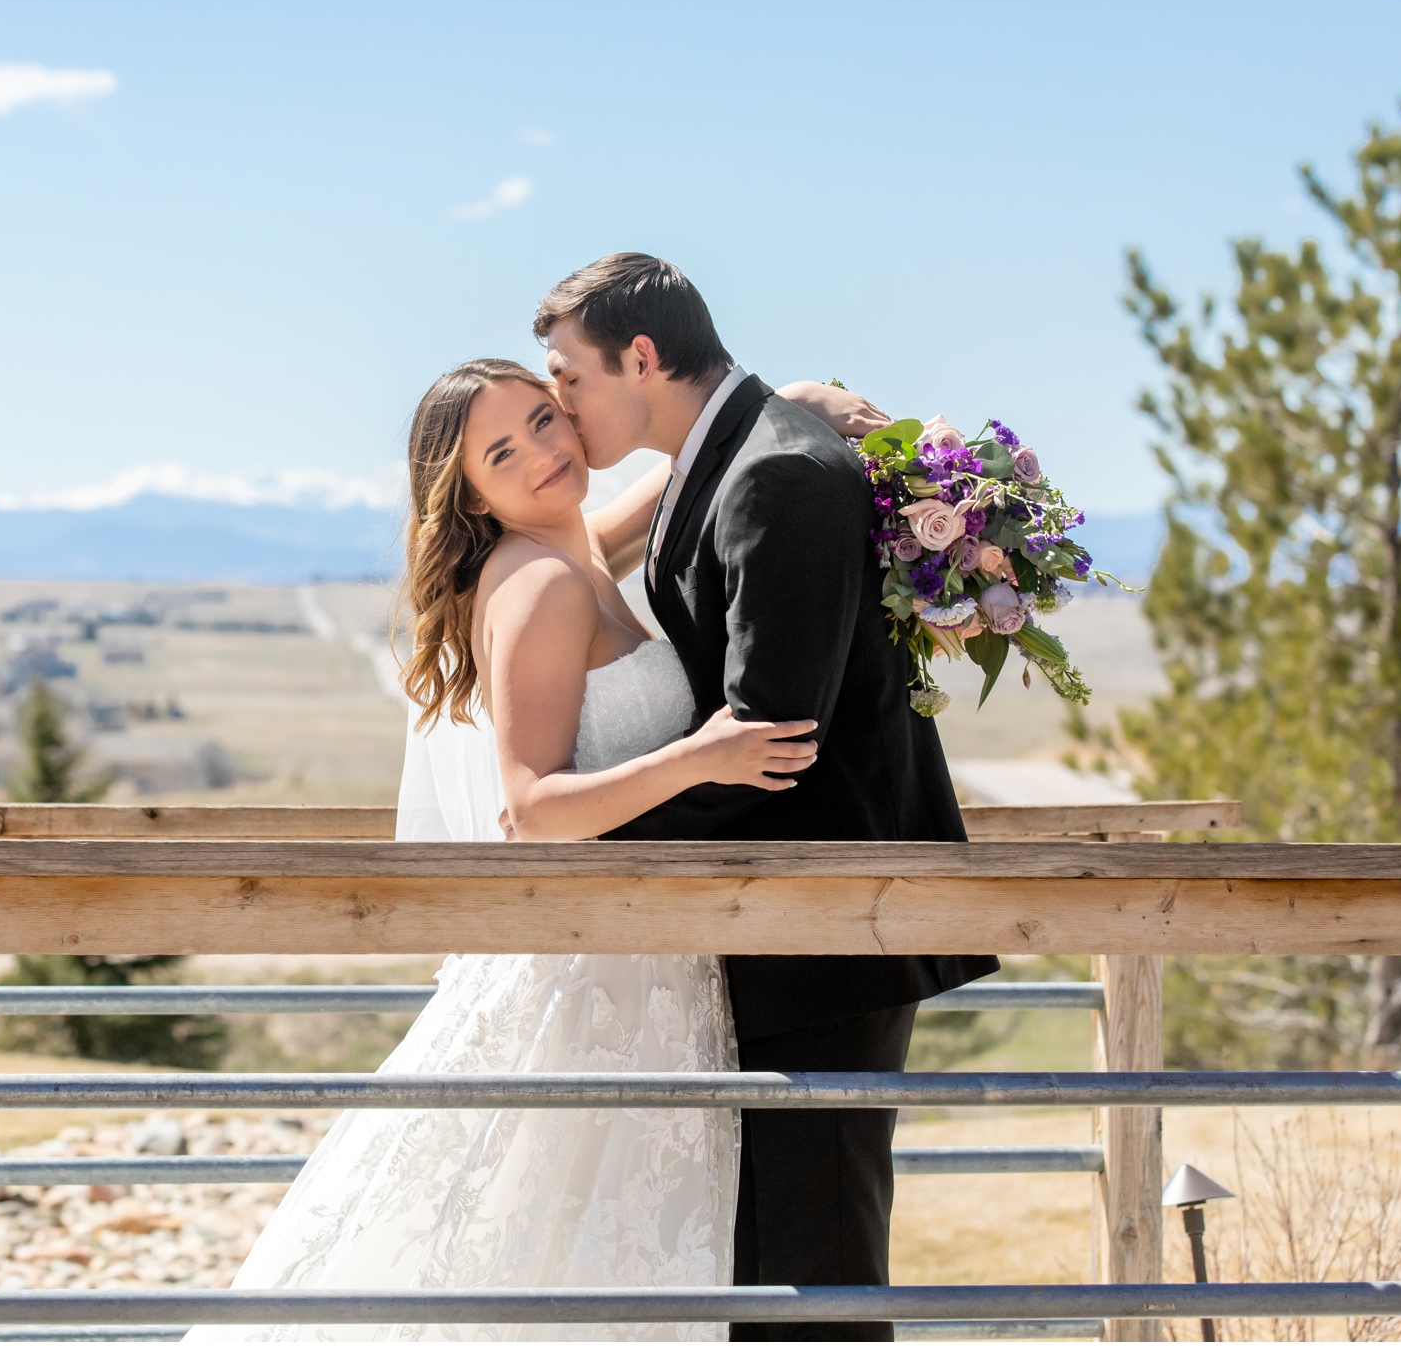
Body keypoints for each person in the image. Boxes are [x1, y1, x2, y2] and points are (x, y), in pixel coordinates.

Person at [190, 356, 877, 1343]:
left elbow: (669, 491)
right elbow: (531, 808)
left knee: (592, 1253)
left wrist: (788, 409)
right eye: (502, 452)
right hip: (594, 987)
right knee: (554, 1252)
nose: (545, 453)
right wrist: (700, 756)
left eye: (546, 420)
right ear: (469, 493)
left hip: (644, 971)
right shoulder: (538, 588)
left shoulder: (568, 548)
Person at [536, 252, 997, 1342]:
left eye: (568, 376)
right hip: (774, 928)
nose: (560, 404)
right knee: (769, 1267)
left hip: (825, 938)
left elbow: (771, 739)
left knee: (813, 1276)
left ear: (640, 357)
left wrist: (591, 832)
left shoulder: (777, 476)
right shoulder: (744, 447)